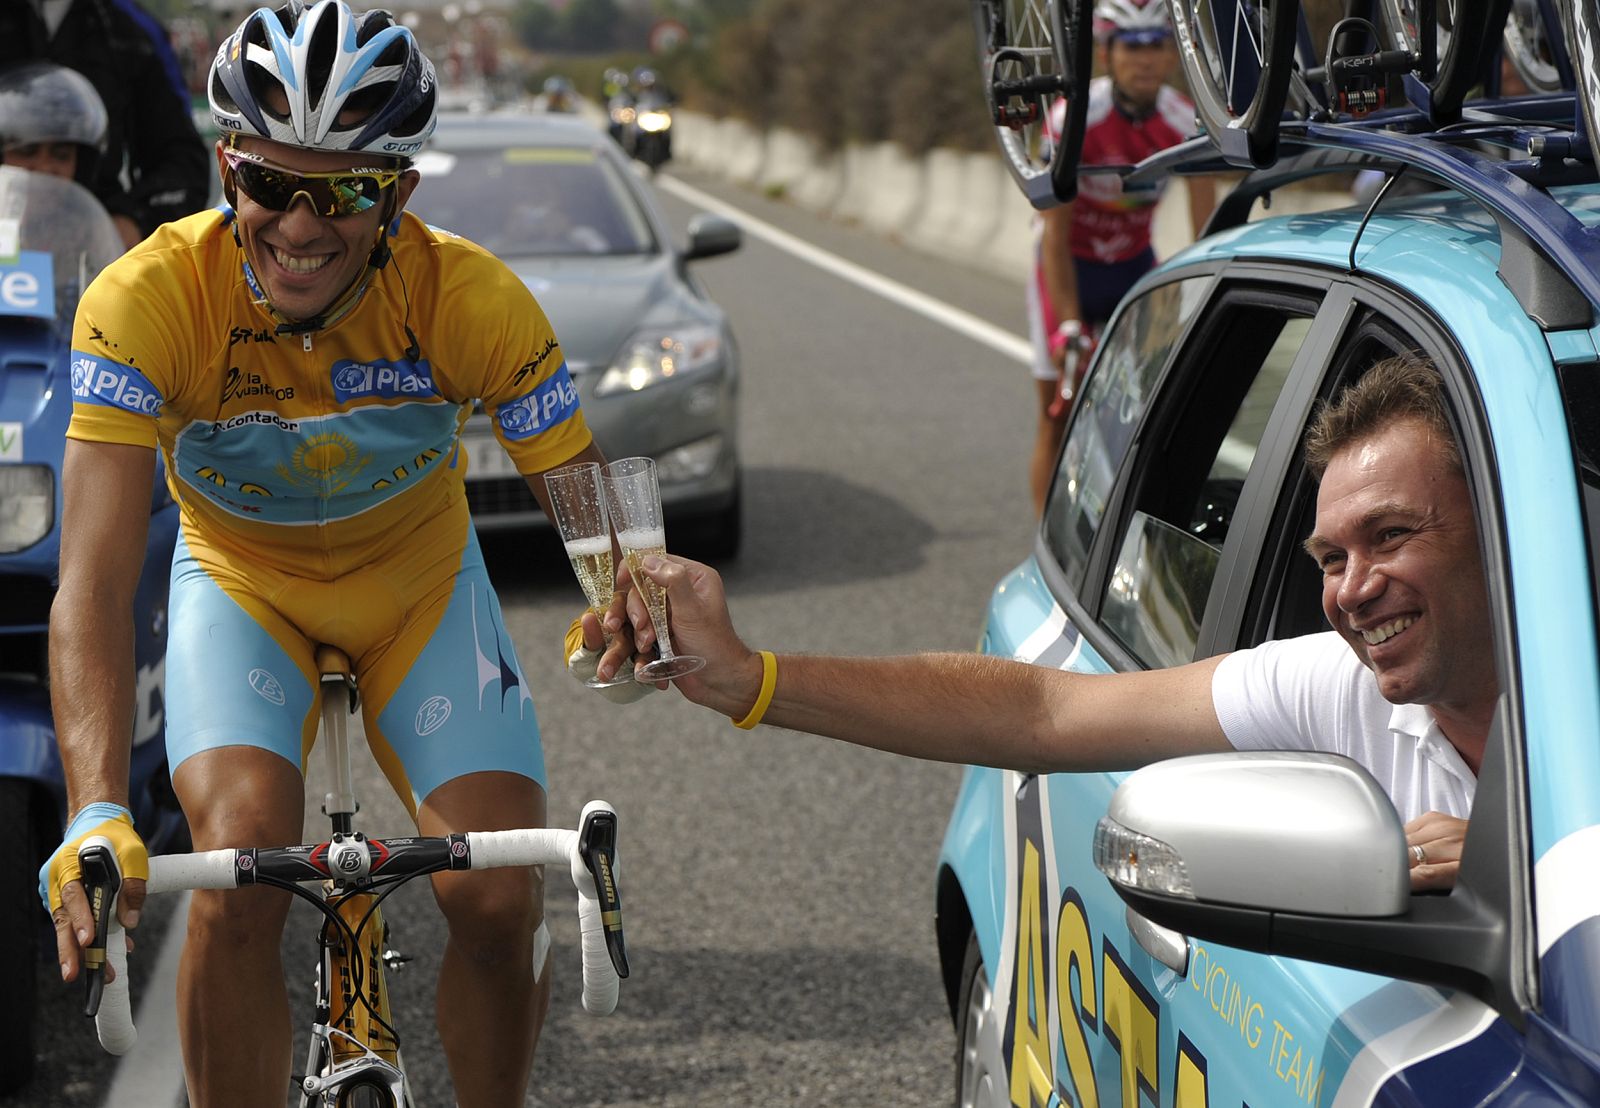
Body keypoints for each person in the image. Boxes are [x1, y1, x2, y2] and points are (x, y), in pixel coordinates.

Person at [37, 2, 627, 1103]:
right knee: (240, 868)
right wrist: (93, 807)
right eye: (270, 184)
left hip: (416, 592)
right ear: (227, 169)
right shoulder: (148, 298)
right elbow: (96, 582)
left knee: (496, 897)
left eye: (345, 191)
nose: (301, 225)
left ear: (399, 194)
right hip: (242, 588)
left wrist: (626, 597)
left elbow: (588, 505)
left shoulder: (469, 295)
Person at [593, 355, 1483, 892]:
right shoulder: (1336, 681)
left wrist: (1513, 868)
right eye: (1330, 559)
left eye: (1394, 536)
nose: (1354, 591)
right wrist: (753, 679)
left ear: (1506, 527)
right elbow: (1043, 714)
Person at [1027, 0, 1217, 514]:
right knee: (1056, 412)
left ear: (1172, 54)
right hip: (1068, 267)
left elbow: (1207, 228)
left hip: (1133, 264)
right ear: (1106, 53)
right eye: (1131, 46)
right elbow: (1054, 235)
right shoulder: (1076, 119)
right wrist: (1068, 323)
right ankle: (1046, 537)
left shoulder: (1184, 119)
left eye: (1156, 45)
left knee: (1145, 410)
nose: (1145, 59)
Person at [0, 0, 210, 248]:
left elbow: (183, 160)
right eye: (27, 151)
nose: (45, 167)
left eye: (61, 155)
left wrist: (131, 221)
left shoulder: (131, 29)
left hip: (89, 254)